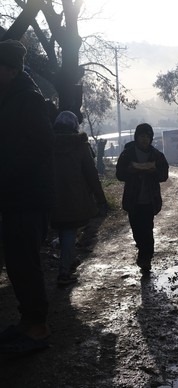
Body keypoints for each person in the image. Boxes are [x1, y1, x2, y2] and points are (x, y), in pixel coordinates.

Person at [0, 39, 54, 352]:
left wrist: (7, 172)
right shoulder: (11, 96)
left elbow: (41, 144)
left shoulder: (28, 99)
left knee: (25, 263)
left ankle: (38, 327)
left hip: (29, 197)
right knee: (17, 264)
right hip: (15, 196)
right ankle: (27, 321)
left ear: (8, 70)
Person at [51, 111, 108, 286]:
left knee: (62, 229)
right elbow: (91, 174)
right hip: (75, 196)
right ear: (75, 126)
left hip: (50, 196)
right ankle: (64, 273)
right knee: (69, 230)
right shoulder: (80, 145)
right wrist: (101, 199)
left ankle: (69, 259)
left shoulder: (46, 144)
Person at [116, 123, 169, 273]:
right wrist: (130, 171)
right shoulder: (127, 154)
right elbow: (119, 175)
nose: (144, 139)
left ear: (151, 138)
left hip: (149, 199)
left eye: (147, 136)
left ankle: (146, 259)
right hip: (133, 200)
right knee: (136, 230)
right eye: (141, 136)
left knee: (147, 229)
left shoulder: (157, 156)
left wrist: (154, 171)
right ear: (136, 137)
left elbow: (164, 175)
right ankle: (142, 251)